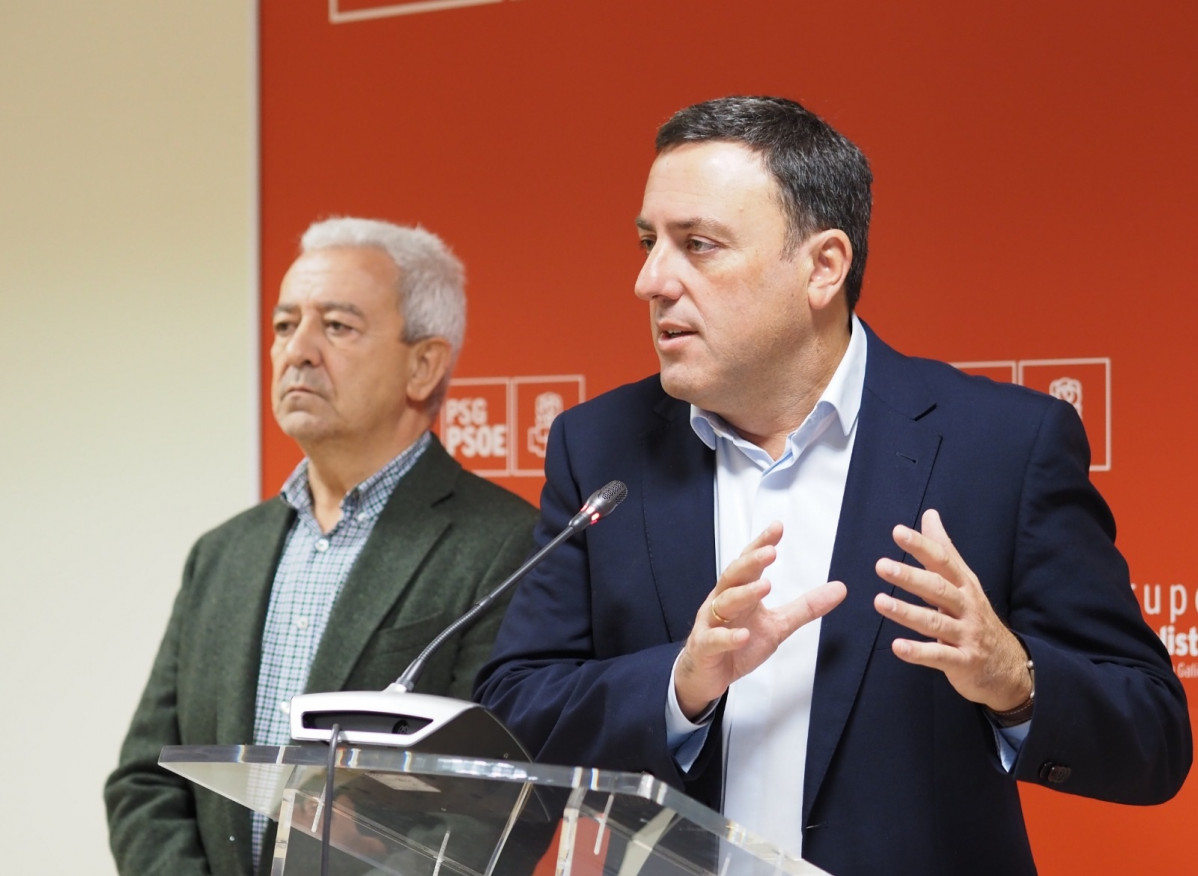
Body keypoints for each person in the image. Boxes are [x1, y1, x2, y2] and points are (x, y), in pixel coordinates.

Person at [474, 97, 1192, 875]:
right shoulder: (599, 447)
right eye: (649, 242)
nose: (650, 280)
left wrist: (1013, 679)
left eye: (698, 245)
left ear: (823, 267)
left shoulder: (1002, 447)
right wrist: (681, 683)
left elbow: (1151, 741)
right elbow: (514, 714)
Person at [105, 217, 538, 875]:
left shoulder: (505, 546)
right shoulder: (222, 555)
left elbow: (492, 807)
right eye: (285, 326)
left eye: (336, 326)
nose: (297, 350)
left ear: (424, 364)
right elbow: (146, 780)